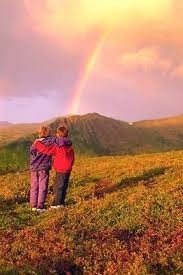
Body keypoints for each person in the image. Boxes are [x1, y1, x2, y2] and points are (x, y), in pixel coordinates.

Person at [30, 126, 72, 212]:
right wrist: (68, 141)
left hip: (33, 168)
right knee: (43, 186)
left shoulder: (35, 143)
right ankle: (40, 206)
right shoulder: (50, 140)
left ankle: (33, 206)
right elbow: (61, 141)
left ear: (39, 133)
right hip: (43, 167)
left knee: (34, 186)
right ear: (49, 134)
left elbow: (32, 152)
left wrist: (36, 144)